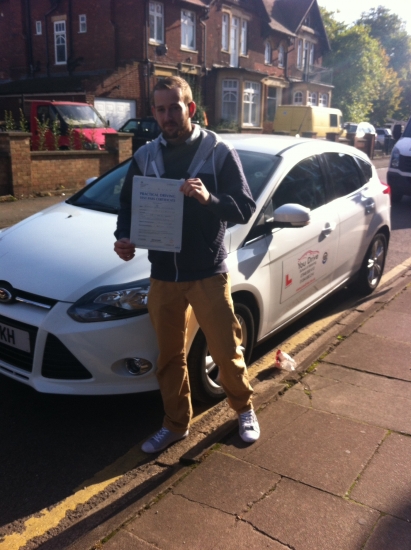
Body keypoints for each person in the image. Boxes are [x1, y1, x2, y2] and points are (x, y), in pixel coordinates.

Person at [114, 76, 260, 453]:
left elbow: (244, 207)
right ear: (154, 113)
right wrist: (124, 239)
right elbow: (129, 205)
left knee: (226, 351)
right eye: (160, 109)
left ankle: (243, 408)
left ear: (190, 108)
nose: (167, 116)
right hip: (163, 276)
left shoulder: (218, 150)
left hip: (208, 273)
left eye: (174, 107)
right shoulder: (145, 156)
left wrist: (210, 198)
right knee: (169, 358)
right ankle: (176, 424)